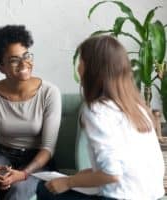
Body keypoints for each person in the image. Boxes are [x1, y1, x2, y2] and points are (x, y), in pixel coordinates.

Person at [37, 35, 165, 200]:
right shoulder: (137, 107)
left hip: (121, 197)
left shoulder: (97, 111)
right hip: (152, 195)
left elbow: (112, 174)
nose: (78, 69)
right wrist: (83, 177)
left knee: (45, 190)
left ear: (92, 68)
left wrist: (69, 182)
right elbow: (122, 167)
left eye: (81, 62)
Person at [0, 25, 62, 200]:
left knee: (19, 190)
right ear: (1, 67)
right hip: (2, 155)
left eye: (26, 56)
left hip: (37, 159)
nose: (24, 64)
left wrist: (23, 174)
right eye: (14, 60)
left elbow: (48, 148)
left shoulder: (49, 92)